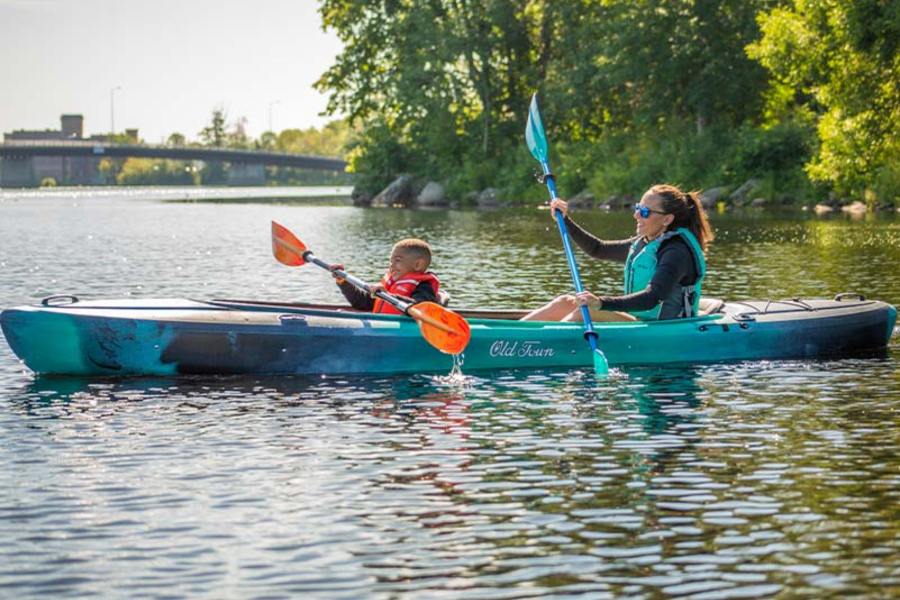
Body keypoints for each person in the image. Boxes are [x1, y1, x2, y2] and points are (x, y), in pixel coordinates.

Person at [521, 184, 714, 322]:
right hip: (638, 321)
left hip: (663, 328)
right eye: (638, 208)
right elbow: (598, 249)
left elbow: (653, 297)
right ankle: (514, 336)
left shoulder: (676, 252)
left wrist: (601, 303)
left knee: (585, 312)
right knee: (564, 302)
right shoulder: (646, 243)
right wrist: (565, 220)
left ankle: (540, 344)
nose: (636, 215)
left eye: (645, 212)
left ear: (667, 219)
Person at [329, 238, 440, 314]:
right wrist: (343, 282)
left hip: (400, 331)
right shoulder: (389, 283)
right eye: (391, 261)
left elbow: (419, 308)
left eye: (397, 260)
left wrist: (388, 296)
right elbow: (361, 303)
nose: (392, 265)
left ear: (418, 265)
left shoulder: (424, 286)